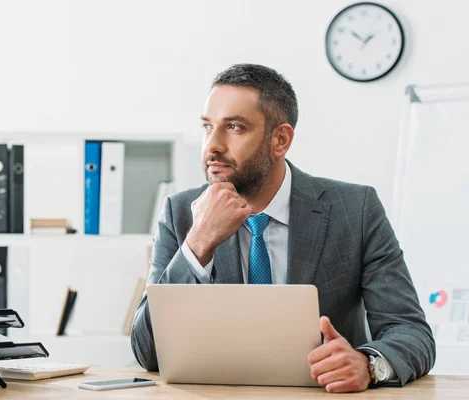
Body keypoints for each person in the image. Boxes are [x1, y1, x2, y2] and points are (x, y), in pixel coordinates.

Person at [130, 64, 435, 393]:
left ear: (280, 139)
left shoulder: (355, 210)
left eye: (234, 127)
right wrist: (198, 243)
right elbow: (147, 352)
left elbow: (411, 332)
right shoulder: (181, 213)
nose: (213, 145)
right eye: (207, 127)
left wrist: (368, 365)